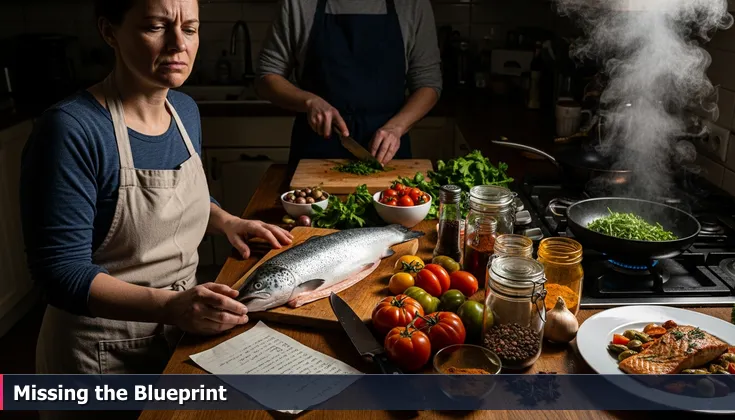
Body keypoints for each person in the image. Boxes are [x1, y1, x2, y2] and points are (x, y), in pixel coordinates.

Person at [19, 0, 293, 385]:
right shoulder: (70, 129)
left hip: (180, 332)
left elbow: (174, 197)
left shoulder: (184, 111)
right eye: (155, 27)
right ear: (109, 32)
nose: (178, 44)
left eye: (190, 29)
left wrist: (226, 221)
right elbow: (60, 273)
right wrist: (171, 307)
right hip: (102, 352)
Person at [256, 0, 443, 168]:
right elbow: (267, 76)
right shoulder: (298, 4)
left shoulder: (413, 4)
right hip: (315, 154)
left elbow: (428, 84)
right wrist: (310, 102)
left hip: (387, 154)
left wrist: (396, 128)